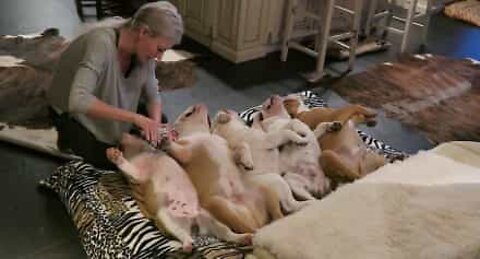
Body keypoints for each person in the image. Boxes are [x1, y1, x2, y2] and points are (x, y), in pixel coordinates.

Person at [47, 1, 183, 169]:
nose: (160, 57)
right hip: (70, 109)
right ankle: (67, 135)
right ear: (143, 32)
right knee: (109, 158)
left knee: (160, 120)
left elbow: (152, 95)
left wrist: (155, 127)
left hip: (105, 97)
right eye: (160, 49)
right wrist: (134, 118)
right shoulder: (101, 43)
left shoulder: (144, 50)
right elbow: (78, 100)